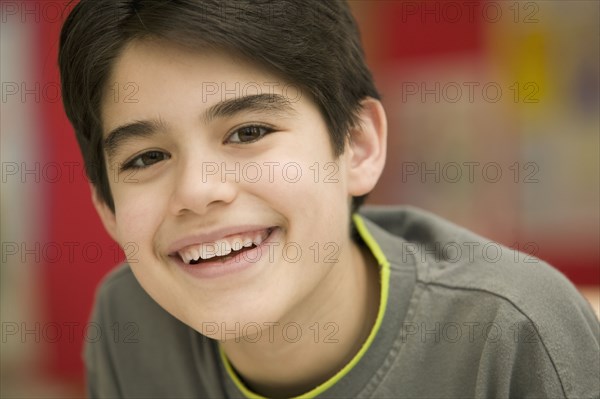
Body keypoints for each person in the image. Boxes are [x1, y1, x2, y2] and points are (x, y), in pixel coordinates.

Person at [58, 1, 599, 398]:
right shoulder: (127, 321)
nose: (196, 191)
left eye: (248, 132)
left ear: (359, 146)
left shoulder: (513, 332)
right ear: (107, 208)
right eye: (146, 158)